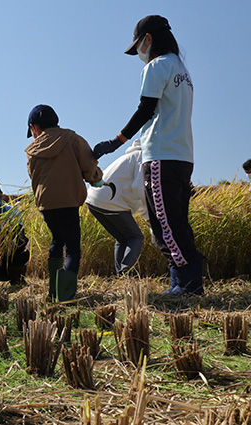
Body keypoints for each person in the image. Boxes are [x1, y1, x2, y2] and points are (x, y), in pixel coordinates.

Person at [92, 15, 202, 296]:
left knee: (164, 225)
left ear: (148, 39)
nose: (138, 52)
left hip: (160, 155)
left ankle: (188, 284)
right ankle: (180, 282)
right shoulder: (183, 70)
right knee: (178, 222)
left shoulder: (156, 66)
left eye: (138, 45)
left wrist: (115, 142)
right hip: (183, 155)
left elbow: (146, 109)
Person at [25, 104, 103, 302]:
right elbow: (88, 166)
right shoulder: (72, 139)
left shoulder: (32, 150)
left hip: (47, 206)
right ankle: (65, 296)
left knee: (56, 241)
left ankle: (53, 291)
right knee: (72, 248)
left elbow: (33, 176)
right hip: (69, 203)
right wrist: (96, 178)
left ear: (34, 128)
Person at [86, 140, 148, 276]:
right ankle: (126, 272)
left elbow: (139, 194)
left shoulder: (129, 157)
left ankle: (121, 275)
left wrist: (147, 217)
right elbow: (140, 189)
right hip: (111, 203)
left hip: (93, 200)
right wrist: (150, 218)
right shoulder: (142, 157)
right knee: (135, 237)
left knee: (122, 238)